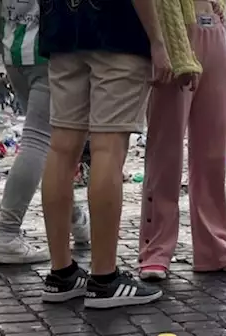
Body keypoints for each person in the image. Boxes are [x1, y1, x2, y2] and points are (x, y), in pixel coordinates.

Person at [37, 0, 170, 308]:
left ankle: (61, 273)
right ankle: (104, 277)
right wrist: (157, 40)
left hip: (62, 31)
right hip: (116, 31)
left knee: (61, 147)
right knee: (107, 148)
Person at [139, 0, 226, 282]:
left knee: (212, 153)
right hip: (173, 29)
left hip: (213, 27)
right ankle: (155, 251)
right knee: (165, 151)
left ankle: (214, 247)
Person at [0, 0, 91, 265]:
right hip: (48, 48)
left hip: (14, 48)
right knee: (41, 140)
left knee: (51, 144)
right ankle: (6, 232)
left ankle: (76, 219)